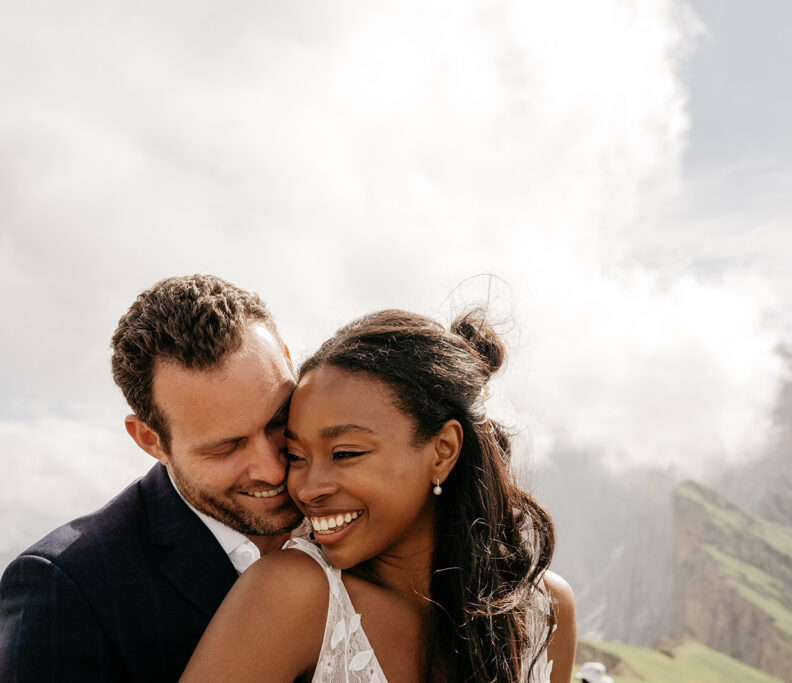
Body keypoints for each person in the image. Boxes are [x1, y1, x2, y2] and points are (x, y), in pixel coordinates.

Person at [181, 309, 577, 682]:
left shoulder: (545, 610)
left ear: (442, 451)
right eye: (297, 456)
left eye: (345, 454)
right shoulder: (292, 596)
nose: (308, 487)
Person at [0, 274, 303, 682]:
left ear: (287, 361)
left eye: (278, 421)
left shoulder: (367, 513)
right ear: (150, 440)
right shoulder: (65, 589)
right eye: (224, 447)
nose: (271, 468)